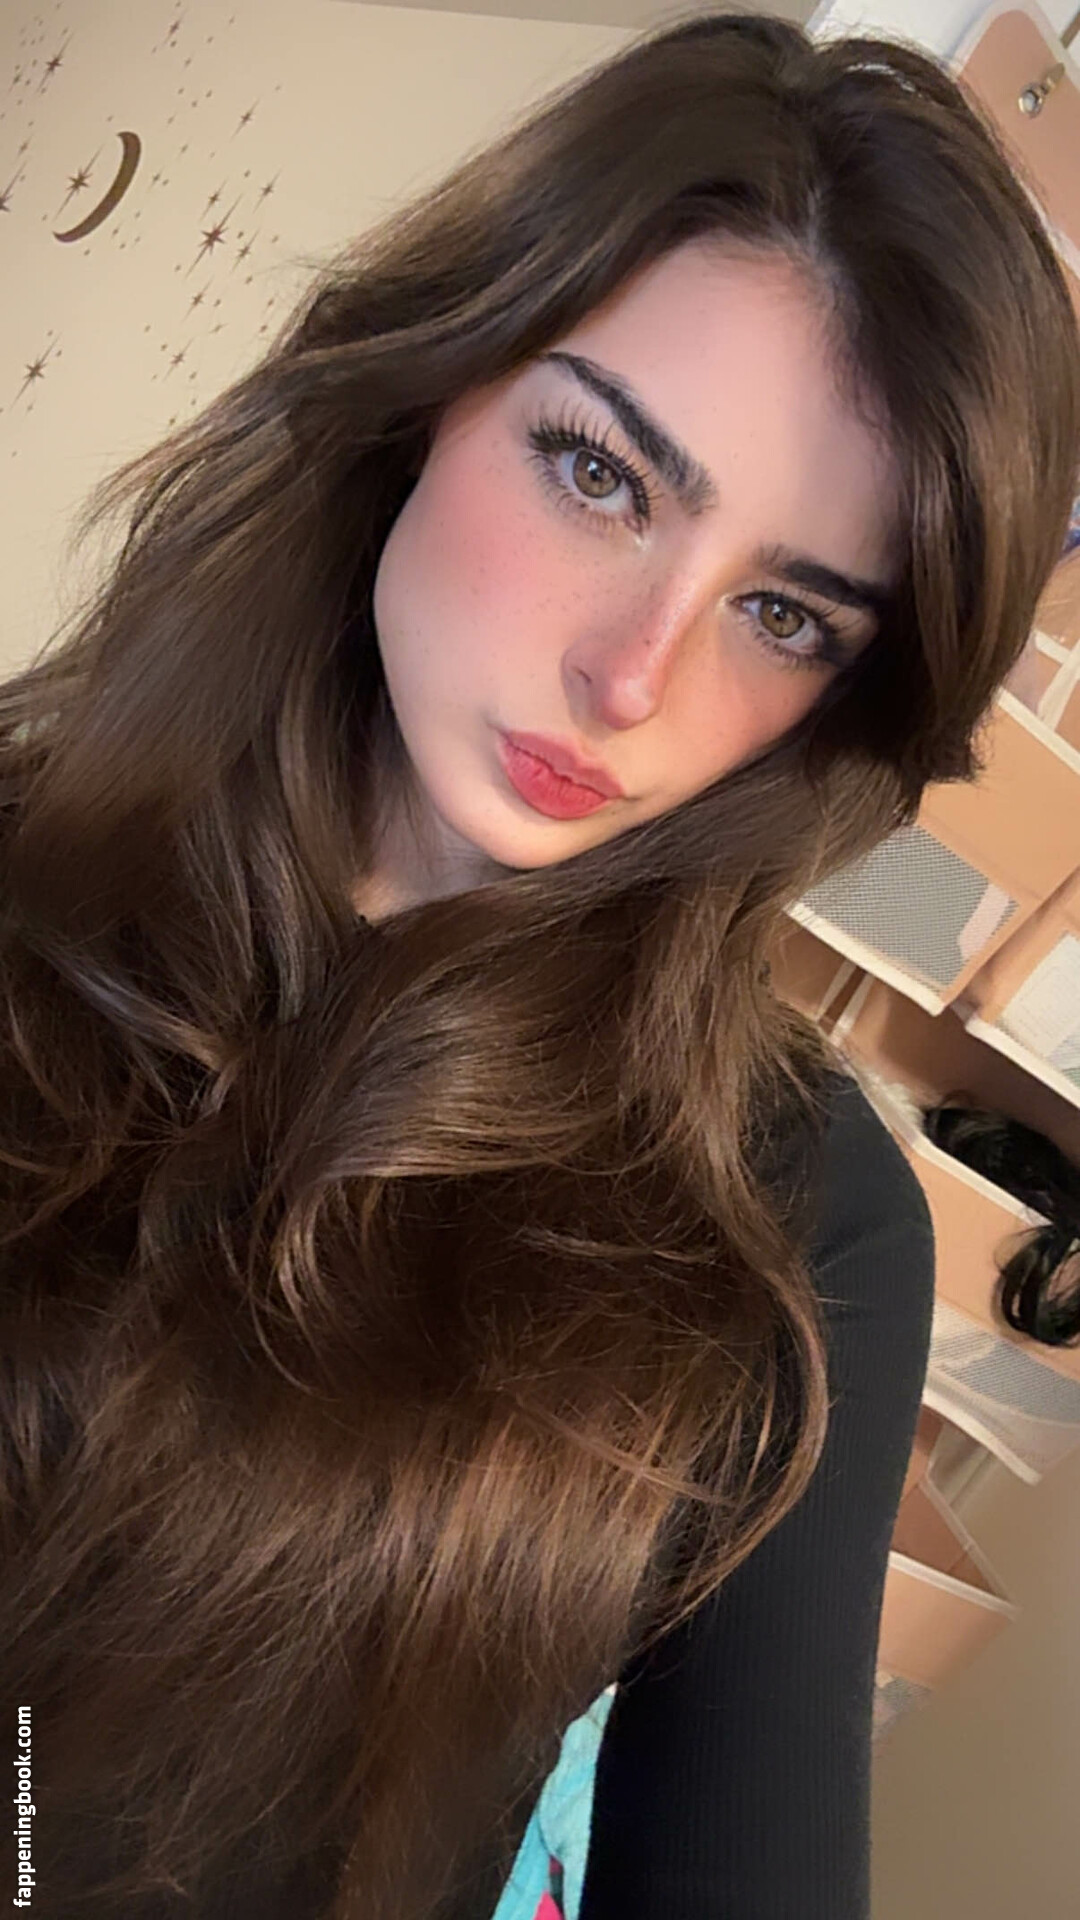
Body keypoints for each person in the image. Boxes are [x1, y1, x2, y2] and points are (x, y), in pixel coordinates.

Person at [0, 10, 1077, 1919]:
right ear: (434, 380)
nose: (638, 679)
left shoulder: (784, 1211)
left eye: (785, 614)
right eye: (601, 474)